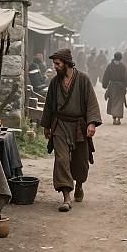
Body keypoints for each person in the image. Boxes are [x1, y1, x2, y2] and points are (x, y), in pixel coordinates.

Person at [41, 48, 102, 212]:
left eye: (57, 63)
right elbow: (49, 105)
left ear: (66, 63)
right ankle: (66, 197)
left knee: (80, 161)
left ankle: (79, 185)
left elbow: (91, 102)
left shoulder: (83, 79)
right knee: (61, 159)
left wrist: (91, 123)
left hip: (79, 126)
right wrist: (47, 125)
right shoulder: (55, 82)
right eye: (54, 63)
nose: (55, 66)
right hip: (60, 124)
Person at [102, 52, 127, 125]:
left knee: (112, 101)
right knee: (120, 102)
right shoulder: (123, 66)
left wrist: (105, 85)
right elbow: (126, 77)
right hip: (121, 87)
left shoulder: (110, 66)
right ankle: (118, 119)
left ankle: (114, 118)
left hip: (112, 86)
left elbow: (106, 76)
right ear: (121, 58)